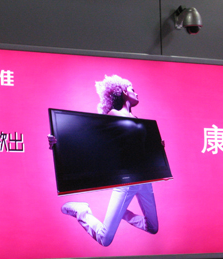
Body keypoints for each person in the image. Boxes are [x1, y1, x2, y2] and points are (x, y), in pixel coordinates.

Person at [53, 75, 159, 247]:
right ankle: (81, 211)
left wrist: (158, 149)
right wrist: (57, 142)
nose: (137, 93)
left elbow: (142, 150)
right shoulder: (113, 115)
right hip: (128, 181)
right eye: (132, 89)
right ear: (124, 92)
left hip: (146, 179)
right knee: (105, 239)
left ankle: (121, 213)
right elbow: (91, 140)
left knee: (152, 227)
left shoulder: (138, 119)